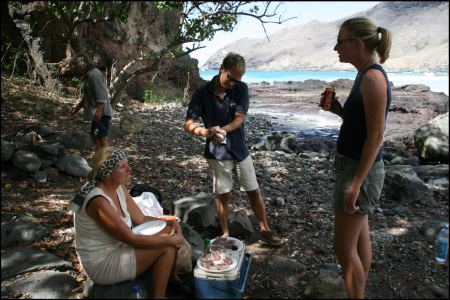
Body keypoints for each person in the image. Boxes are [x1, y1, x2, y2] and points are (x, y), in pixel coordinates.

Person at [184, 52, 283, 246]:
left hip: (239, 148)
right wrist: (205, 132)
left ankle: (265, 229)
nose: (233, 83)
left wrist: (221, 130)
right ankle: (225, 233)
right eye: (230, 78)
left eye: (237, 80)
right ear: (222, 69)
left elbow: (239, 119)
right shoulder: (202, 93)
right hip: (217, 153)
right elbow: (188, 123)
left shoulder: (240, 88)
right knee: (224, 194)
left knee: (253, 190)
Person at [326, 17, 392, 298]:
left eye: (340, 41)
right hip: (352, 168)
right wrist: (339, 110)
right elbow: (361, 125)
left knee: (342, 249)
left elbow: (376, 137)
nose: (335, 48)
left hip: (358, 171)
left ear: (356, 43)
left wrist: (356, 184)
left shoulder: (374, 78)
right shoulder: (364, 74)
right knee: (358, 240)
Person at [71, 146, 191, 299]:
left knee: (169, 229)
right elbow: (130, 238)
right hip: (102, 261)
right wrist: (172, 239)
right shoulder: (98, 202)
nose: (129, 169)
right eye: (123, 167)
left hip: (119, 245)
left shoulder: (118, 187)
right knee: (167, 246)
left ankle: (171, 279)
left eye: (127, 164)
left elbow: (140, 219)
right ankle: (159, 295)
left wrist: (170, 221)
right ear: (107, 174)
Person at [70, 54, 113, 151]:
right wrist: (77, 107)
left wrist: (98, 111)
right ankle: (99, 159)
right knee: (94, 136)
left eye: (76, 67)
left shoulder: (94, 75)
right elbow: (87, 96)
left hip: (102, 114)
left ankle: (107, 161)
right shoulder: (89, 75)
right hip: (98, 113)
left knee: (101, 137)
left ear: (82, 65)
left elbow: (102, 94)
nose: (76, 70)